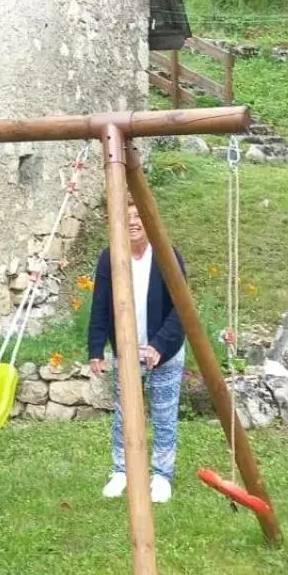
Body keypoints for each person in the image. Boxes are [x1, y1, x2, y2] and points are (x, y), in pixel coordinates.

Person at [87, 204, 186, 504]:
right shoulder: (110, 257)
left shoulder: (168, 255)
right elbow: (100, 304)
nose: (132, 222)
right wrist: (96, 348)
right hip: (127, 350)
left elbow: (181, 309)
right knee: (124, 415)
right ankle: (122, 471)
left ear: (149, 220)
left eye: (137, 216)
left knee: (164, 415)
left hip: (164, 350)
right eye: (125, 217)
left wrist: (159, 345)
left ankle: (162, 475)